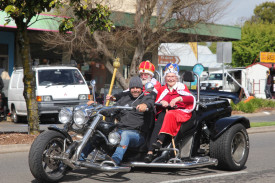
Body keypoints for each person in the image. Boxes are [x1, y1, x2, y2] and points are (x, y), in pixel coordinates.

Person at [81, 76, 155, 166]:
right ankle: (80, 157)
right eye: (133, 88)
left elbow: (150, 102)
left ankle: (115, 160)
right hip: (119, 131)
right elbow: (110, 110)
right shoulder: (125, 99)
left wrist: (145, 105)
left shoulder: (145, 98)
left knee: (125, 134)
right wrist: (96, 105)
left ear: (141, 88)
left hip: (137, 135)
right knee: (99, 134)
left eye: (137, 88)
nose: (135, 90)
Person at [144, 63, 196, 163]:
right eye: (168, 76)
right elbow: (157, 102)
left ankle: (160, 141)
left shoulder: (182, 87)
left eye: (172, 76)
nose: (170, 79)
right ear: (165, 78)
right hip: (165, 113)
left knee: (169, 114)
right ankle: (150, 152)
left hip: (180, 113)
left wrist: (178, 98)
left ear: (176, 77)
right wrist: (161, 102)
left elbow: (190, 99)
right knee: (159, 121)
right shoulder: (162, 89)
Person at [86, 60, 161, 105]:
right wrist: (114, 97)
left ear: (151, 76)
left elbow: (152, 97)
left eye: (146, 75)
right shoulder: (138, 83)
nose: (143, 77)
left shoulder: (155, 85)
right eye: (142, 74)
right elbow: (126, 92)